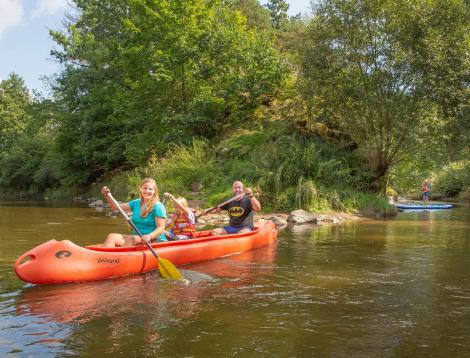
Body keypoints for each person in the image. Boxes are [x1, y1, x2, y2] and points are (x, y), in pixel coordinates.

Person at [101, 178, 167, 247]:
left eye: (150, 189)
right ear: (140, 189)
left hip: (155, 240)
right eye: (145, 188)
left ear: (154, 191)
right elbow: (115, 207)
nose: (147, 191)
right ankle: (107, 257)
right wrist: (107, 196)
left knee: (129, 239)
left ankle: (117, 257)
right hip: (137, 238)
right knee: (111, 237)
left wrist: (149, 236)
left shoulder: (158, 206)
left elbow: (161, 227)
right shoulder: (135, 203)